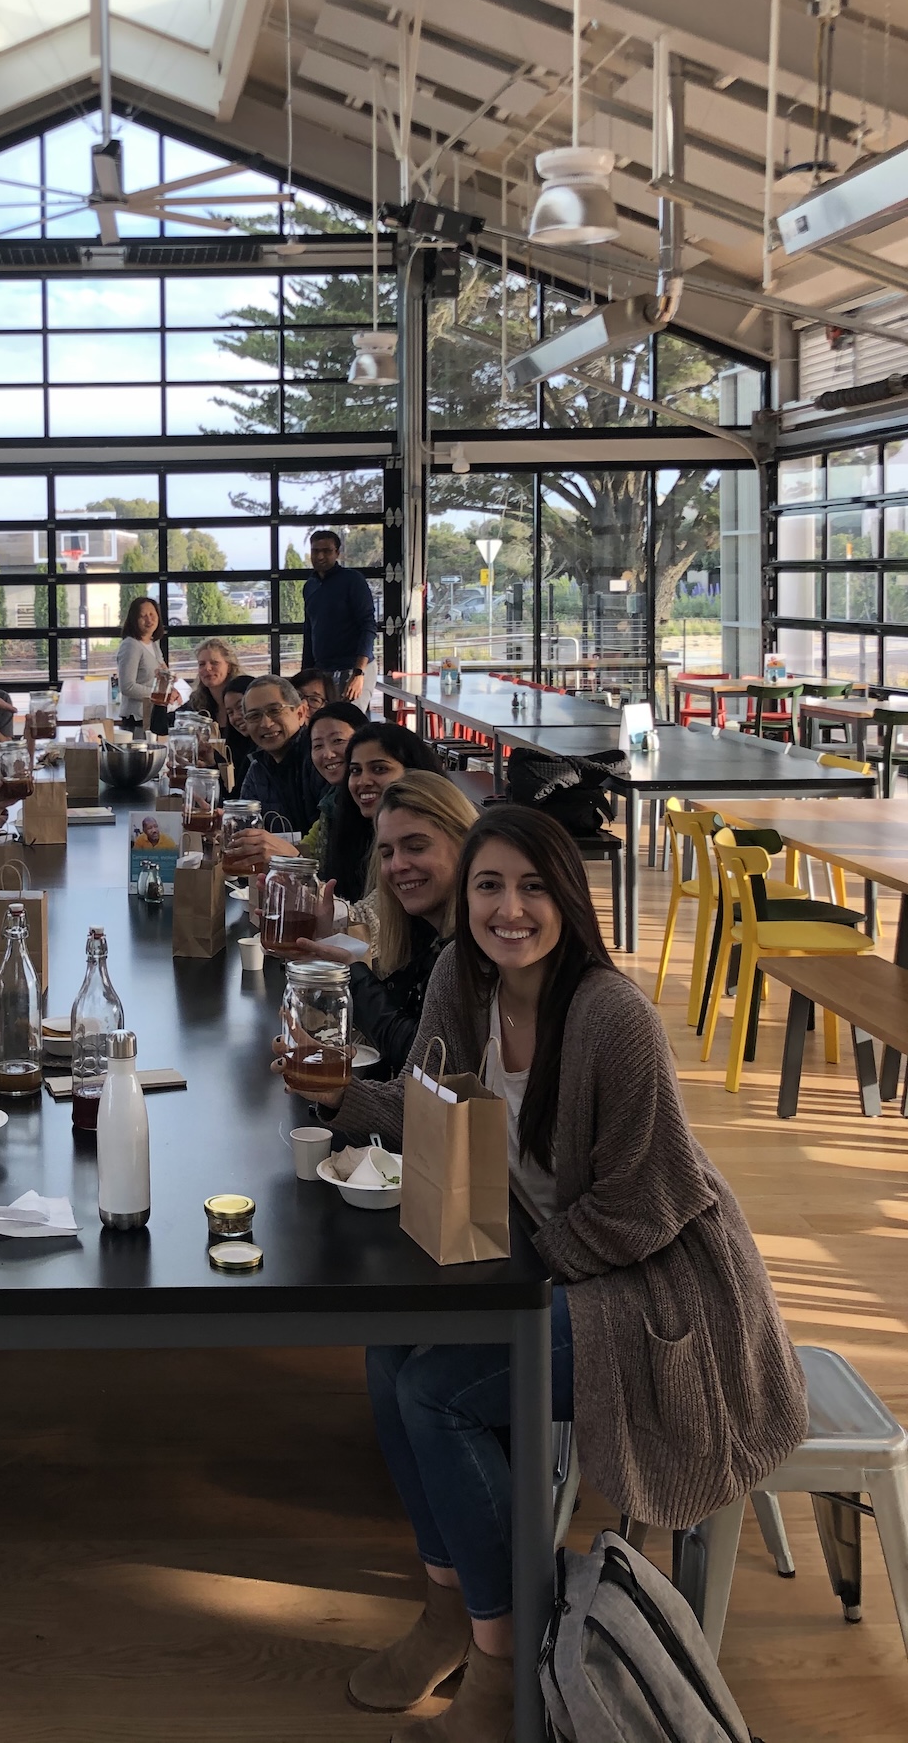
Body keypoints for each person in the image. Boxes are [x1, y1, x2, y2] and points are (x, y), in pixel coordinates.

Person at [340, 807, 807, 1735]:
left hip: (658, 1290)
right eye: (489, 886)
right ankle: (450, 1608)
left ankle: (503, 1660)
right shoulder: (461, 985)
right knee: (388, 1342)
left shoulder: (610, 1015)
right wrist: (335, 1093)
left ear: (568, 899)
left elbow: (648, 1206)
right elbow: (429, 1106)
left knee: (440, 1389)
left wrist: (529, 1272)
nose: (509, 909)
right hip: (561, 1263)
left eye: (532, 887)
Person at [308, 773, 476, 1085]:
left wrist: (353, 976)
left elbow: (427, 1060)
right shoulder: (421, 933)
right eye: (387, 853)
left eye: (415, 846)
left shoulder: (474, 949)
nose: (397, 865)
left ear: (465, 845)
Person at [320, 721, 448, 925]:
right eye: (355, 771)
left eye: (379, 769)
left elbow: (369, 921)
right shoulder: (348, 828)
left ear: (413, 771)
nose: (363, 781)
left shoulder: (436, 826)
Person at [233, 702, 366, 872]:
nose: (328, 754)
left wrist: (294, 859)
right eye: (317, 746)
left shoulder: (375, 806)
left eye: (338, 740)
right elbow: (307, 850)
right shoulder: (332, 804)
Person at [235, 675, 325, 833]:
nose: (266, 723)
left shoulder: (319, 759)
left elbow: (330, 839)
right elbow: (244, 828)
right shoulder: (257, 768)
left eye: (275, 711)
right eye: (254, 716)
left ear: (301, 713)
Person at [300, 529, 376, 702]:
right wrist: (305, 675)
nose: (320, 557)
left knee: (351, 724)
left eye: (326, 551)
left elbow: (368, 626)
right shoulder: (310, 586)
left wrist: (359, 672)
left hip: (353, 668)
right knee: (325, 724)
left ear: (337, 553)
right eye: (315, 551)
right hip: (323, 672)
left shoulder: (352, 580)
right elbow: (309, 632)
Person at [117, 597, 166, 720]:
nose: (149, 619)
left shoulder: (153, 642)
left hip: (153, 714)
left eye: (151, 614)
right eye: (143, 616)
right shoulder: (131, 645)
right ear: (134, 620)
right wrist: (159, 694)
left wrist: (171, 685)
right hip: (137, 718)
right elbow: (127, 687)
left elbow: (161, 671)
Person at [186, 637, 241, 726]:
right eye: (202, 664)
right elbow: (161, 727)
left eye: (214, 663)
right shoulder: (196, 701)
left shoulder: (244, 696)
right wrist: (163, 689)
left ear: (229, 667)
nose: (207, 668)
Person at [221, 672, 257, 783]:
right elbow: (233, 793)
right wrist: (211, 764)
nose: (236, 716)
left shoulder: (267, 749)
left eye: (240, 707)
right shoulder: (234, 747)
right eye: (230, 712)